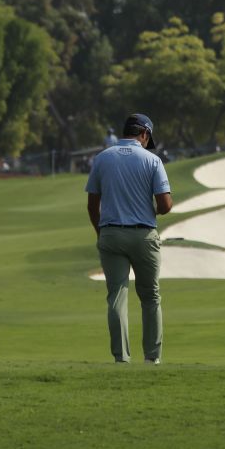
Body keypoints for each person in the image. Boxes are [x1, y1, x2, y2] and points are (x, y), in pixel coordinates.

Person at [86, 113, 173, 364]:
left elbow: (92, 205)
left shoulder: (102, 159)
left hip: (111, 233)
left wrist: (101, 233)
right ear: (144, 134)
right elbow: (165, 205)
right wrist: (151, 210)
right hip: (144, 235)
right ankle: (152, 358)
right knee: (151, 296)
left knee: (117, 296)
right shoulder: (152, 161)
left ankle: (121, 358)